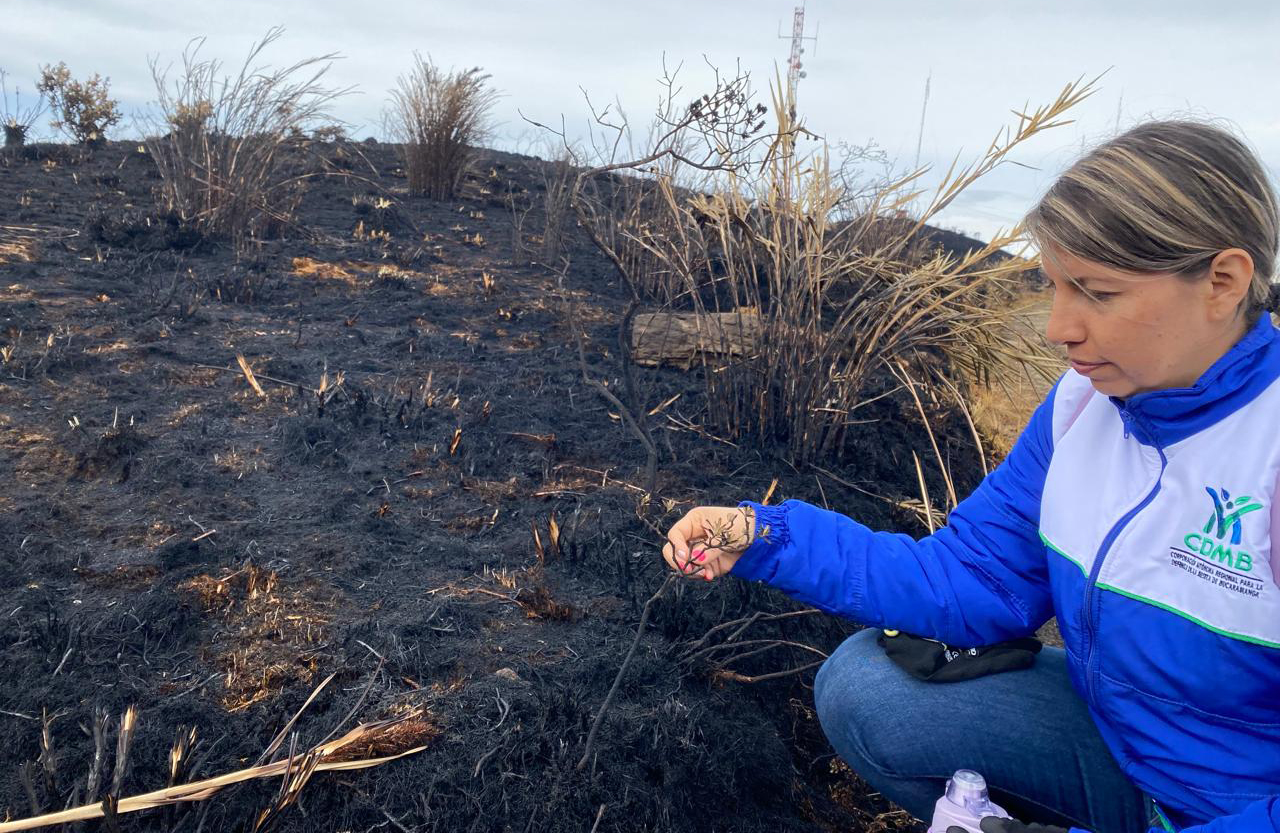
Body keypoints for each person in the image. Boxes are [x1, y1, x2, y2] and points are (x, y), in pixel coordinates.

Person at [661, 120, 1280, 833]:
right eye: (1055, 287)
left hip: (1243, 802)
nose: (1058, 328)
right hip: (1125, 756)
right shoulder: (1083, 407)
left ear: (1223, 283)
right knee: (869, 688)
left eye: (1098, 293)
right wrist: (765, 536)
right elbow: (971, 578)